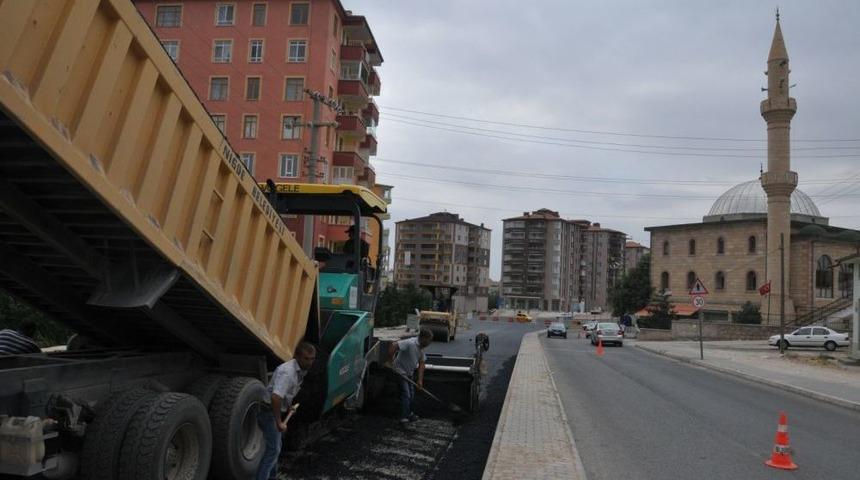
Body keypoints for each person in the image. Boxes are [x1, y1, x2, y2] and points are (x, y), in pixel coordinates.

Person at [256, 342, 316, 480]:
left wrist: (288, 407)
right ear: (297, 356)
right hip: (268, 412)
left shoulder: (300, 369)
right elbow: (275, 397)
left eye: (312, 359)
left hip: (274, 410)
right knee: (274, 450)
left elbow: (284, 395)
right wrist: (279, 422)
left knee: (276, 447)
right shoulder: (288, 373)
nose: (310, 362)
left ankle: (271, 477)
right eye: (306, 359)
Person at [388, 328, 433, 424]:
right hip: (400, 372)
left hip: (409, 373)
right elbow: (394, 345)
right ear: (423, 338)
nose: (429, 343)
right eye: (429, 340)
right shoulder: (410, 343)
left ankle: (409, 413)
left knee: (411, 394)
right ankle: (403, 417)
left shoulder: (421, 348)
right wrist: (391, 362)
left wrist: (420, 380)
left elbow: (422, 364)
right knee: (406, 394)